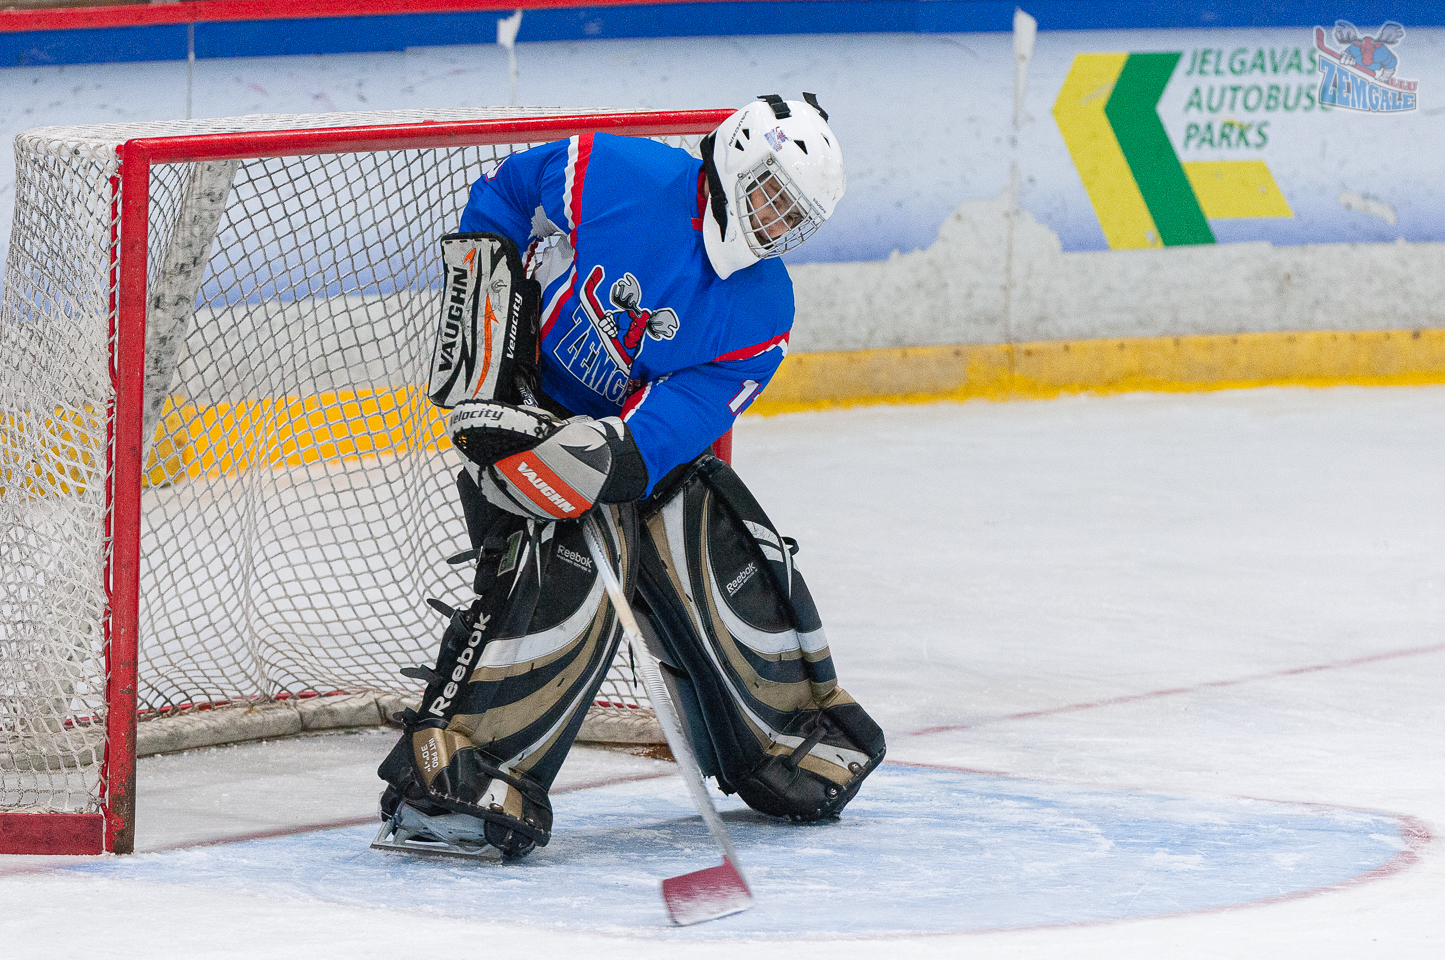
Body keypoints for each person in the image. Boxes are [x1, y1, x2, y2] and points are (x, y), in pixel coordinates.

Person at [374, 94, 886, 861]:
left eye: (796, 219)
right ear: (740, 157)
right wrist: (485, 364)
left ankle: (787, 745)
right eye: (774, 198)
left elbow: (654, 440)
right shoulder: (617, 170)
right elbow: (506, 196)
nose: (778, 226)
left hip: (616, 446)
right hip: (521, 403)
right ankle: (457, 779)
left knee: (711, 543)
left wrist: (593, 461)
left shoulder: (762, 310)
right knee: (567, 574)